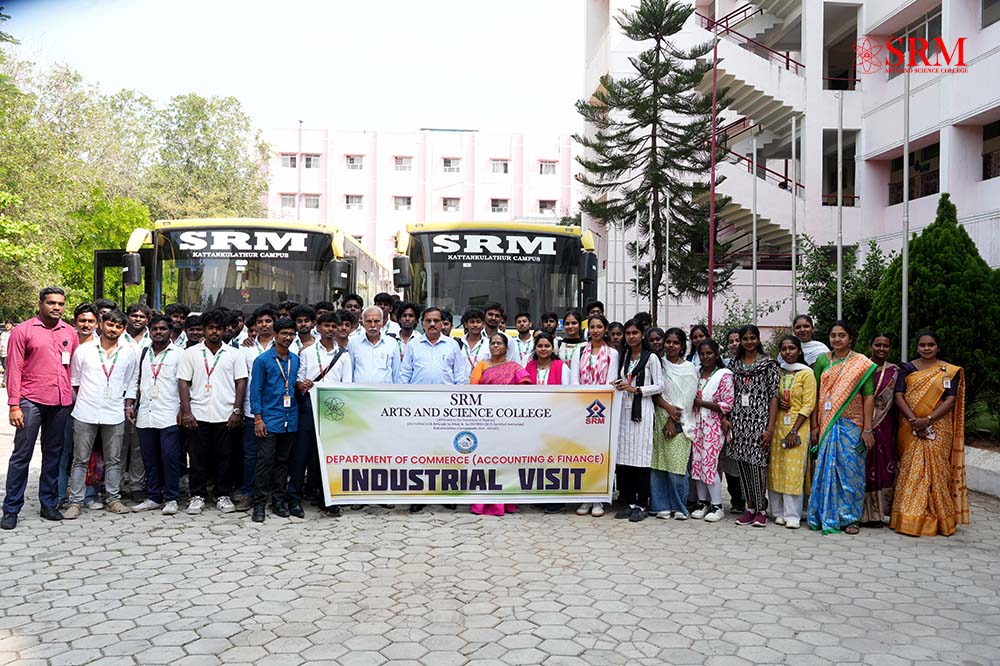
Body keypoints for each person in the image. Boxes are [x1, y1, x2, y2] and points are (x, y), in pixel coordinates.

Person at [1, 287, 80, 530]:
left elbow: (74, 368)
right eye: (51, 303)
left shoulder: (69, 332)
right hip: (30, 400)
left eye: (60, 304)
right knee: (22, 455)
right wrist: (14, 405)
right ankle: (11, 509)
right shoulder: (23, 331)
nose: (56, 307)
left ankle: (48, 503)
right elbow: (14, 369)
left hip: (60, 402)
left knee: (54, 454)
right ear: (40, 304)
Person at [891, 331, 968, 537]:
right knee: (912, 470)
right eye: (923, 345)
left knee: (937, 472)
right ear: (917, 347)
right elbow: (898, 396)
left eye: (931, 345)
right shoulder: (907, 369)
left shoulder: (949, 371)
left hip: (939, 427)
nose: (926, 348)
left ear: (938, 347)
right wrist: (914, 421)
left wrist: (928, 420)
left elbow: (950, 400)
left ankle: (940, 519)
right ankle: (909, 519)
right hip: (910, 425)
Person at [63, 310, 139, 519]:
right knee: (80, 459)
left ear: (123, 329)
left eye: (118, 326)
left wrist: (128, 405)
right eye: (110, 324)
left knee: (114, 459)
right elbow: (75, 381)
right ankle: (75, 502)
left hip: (114, 412)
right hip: (85, 412)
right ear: (101, 325)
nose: (113, 329)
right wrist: (86, 399)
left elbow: (131, 382)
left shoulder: (129, 353)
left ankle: (113, 499)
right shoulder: (84, 350)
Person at [177, 308, 248, 515]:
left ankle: (222, 494)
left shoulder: (234, 354)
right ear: (204, 329)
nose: (214, 331)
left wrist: (237, 410)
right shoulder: (190, 354)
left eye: (218, 328)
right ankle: (197, 495)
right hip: (198, 413)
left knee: (225, 457)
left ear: (225, 330)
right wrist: (186, 412)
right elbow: (183, 382)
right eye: (210, 328)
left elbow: (241, 382)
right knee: (197, 457)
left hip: (225, 414)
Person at [808, 320, 876, 535]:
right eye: (833, 335)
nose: (837, 339)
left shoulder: (861, 363)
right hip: (826, 423)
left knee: (850, 472)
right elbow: (815, 393)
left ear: (851, 338)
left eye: (841, 335)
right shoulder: (822, 360)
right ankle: (823, 514)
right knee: (825, 469)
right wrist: (814, 425)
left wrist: (867, 428)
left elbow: (868, 396)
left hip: (852, 424)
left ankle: (850, 519)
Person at [400, 307, 465, 513]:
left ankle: (446, 492)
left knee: (447, 451)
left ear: (442, 323)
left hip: (446, 407)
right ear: (422, 323)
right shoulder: (413, 345)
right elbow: (404, 375)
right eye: (428, 321)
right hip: (418, 407)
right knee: (420, 451)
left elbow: (460, 376)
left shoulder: (452, 345)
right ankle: (419, 494)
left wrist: (457, 404)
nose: (433, 324)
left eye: (436, 320)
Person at [291, 310, 354, 516]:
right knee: (302, 453)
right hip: (309, 406)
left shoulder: (343, 356)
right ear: (318, 328)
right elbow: (298, 380)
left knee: (327, 454)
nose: (330, 329)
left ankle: (326, 497)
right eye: (326, 326)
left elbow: (347, 385)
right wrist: (303, 385)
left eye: (334, 326)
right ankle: (294, 498)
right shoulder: (307, 353)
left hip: (333, 409)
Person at [125, 315, 183, 516]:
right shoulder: (143, 353)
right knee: (149, 458)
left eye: (163, 329)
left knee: (170, 457)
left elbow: (185, 384)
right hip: (146, 414)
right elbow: (135, 379)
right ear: (150, 331)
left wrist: (184, 409)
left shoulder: (179, 354)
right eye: (155, 329)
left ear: (170, 331)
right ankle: (153, 497)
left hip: (170, 414)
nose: (159, 332)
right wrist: (129, 404)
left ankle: (171, 498)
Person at [468, 334, 530, 516]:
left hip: (507, 423)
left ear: (506, 347)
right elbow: (472, 391)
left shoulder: (514, 367)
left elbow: (526, 388)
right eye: (492, 343)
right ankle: (481, 503)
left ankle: (505, 502)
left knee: (504, 461)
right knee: (483, 461)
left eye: (499, 343)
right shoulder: (481, 365)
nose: (495, 346)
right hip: (484, 421)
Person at [727, 324, 779, 528]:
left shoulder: (768, 364)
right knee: (742, 464)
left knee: (757, 465)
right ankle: (749, 508)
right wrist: (726, 419)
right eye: (745, 339)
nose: (748, 342)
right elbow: (727, 393)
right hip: (739, 421)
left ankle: (761, 509)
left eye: (752, 338)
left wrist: (770, 429)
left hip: (760, 421)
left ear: (758, 340)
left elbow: (774, 397)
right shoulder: (734, 364)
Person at [248, 319, 300, 522]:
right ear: (275, 335)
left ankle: (278, 501)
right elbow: (256, 391)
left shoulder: (295, 359)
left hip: (290, 418)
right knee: (264, 462)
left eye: (291, 334)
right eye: (284, 333)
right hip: (269, 419)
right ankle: (259, 504)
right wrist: (258, 418)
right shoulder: (262, 360)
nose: (288, 337)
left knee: (283, 462)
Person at [611, 319, 663, 522]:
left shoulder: (651, 358)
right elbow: (625, 379)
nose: (631, 337)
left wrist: (637, 389)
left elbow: (659, 386)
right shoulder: (624, 356)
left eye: (635, 333)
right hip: (624, 411)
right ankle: (630, 503)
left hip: (642, 411)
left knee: (641, 459)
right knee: (625, 459)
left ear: (642, 334)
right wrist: (618, 384)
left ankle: (642, 504)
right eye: (628, 333)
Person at [570, 314, 619, 518]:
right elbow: (574, 380)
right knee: (582, 452)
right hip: (581, 408)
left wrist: (596, 402)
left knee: (600, 454)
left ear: (605, 329)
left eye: (599, 326)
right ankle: (584, 497)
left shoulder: (613, 353)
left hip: (602, 410)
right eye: (592, 327)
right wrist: (581, 402)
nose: (596, 330)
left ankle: (598, 498)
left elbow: (611, 381)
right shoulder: (579, 350)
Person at [767, 336, 816, 530]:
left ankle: (793, 515)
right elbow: (771, 395)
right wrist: (778, 400)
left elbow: (809, 403)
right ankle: (777, 512)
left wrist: (795, 430)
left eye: (792, 348)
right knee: (776, 468)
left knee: (793, 470)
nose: (788, 352)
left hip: (798, 426)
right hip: (778, 424)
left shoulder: (806, 373)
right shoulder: (777, 372)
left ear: (799, 351)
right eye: (784, 349)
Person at [650, 327, 698, 521]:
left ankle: (679, 506)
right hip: (659, 417)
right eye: (668, 342)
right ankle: (661, 505)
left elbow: (687, 398)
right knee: (659, 464)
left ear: (682, 346)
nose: (671, 345)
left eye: (675, 342)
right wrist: (667, 409)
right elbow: (654, 391)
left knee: (677, 466)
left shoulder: (688, 368)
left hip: (680, 420)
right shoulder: (658, 364)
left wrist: (672, 419)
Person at [57, 303, 101, 507]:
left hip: (93, 407)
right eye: (82, 320)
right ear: (74, 321)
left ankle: (90, 495)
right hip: (66, 405)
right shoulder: (65, 342)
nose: (86, 324)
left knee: (90, 453)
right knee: (63, 451)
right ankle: (59, 495)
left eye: (91, 321)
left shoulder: (103, 346)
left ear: (97, 323)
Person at [237, 305, 277, 507]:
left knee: (271, 455)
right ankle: (248, 492)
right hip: (251, 408)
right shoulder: (245, 348)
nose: (264, 325)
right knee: (250, 453)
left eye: (268, 321)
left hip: (276, 409)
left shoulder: (285, 345)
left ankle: (268, 492)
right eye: (260, 322)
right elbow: (241, 378)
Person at [689, 339, 733, 523]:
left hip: (713, 426)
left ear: (716, 354)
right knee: (697, 464)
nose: (706, 357)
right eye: (702, 354)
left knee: (710, 464)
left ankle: (717, 506)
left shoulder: (724, 375)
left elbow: (727, 404)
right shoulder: (696, 373)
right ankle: (703, 503)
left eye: (709, 353)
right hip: (697, 425)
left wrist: (702, 403)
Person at [863, 333, 898, 527]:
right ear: (871, 346)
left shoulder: (894, 371)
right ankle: (861, 512)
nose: (881, 349)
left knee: (883, 466)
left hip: (885, 425)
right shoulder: (861, 367)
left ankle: (878, 513)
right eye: (877, 345)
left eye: (885, 346)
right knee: (863, 466)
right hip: (862, 423)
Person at [350, 307, 401, 384]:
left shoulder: (392, 343)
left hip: (385, 390)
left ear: (382, 322)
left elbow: (396, 373)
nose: (373, 325)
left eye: (376, 321)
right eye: (369, 321)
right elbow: (350, 370)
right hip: (359, 390)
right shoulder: (353, 343)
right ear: (363, 323)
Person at [459, 308, 490, 374]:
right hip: (462, 380)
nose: (475, 325)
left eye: (478, 322)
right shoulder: (458, 343)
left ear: (483, 324)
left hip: (482, 380)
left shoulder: (489, 344)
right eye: (472, 322)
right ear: (466, 324)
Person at [0, 321, 12, 387]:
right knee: (5, 367)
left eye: (9, 324)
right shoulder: (2, 333)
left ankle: (4, 382)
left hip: (8, 353)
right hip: (1, 353)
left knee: (7, 368)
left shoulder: (13, 333)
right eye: (6, 324)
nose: (7, 326)